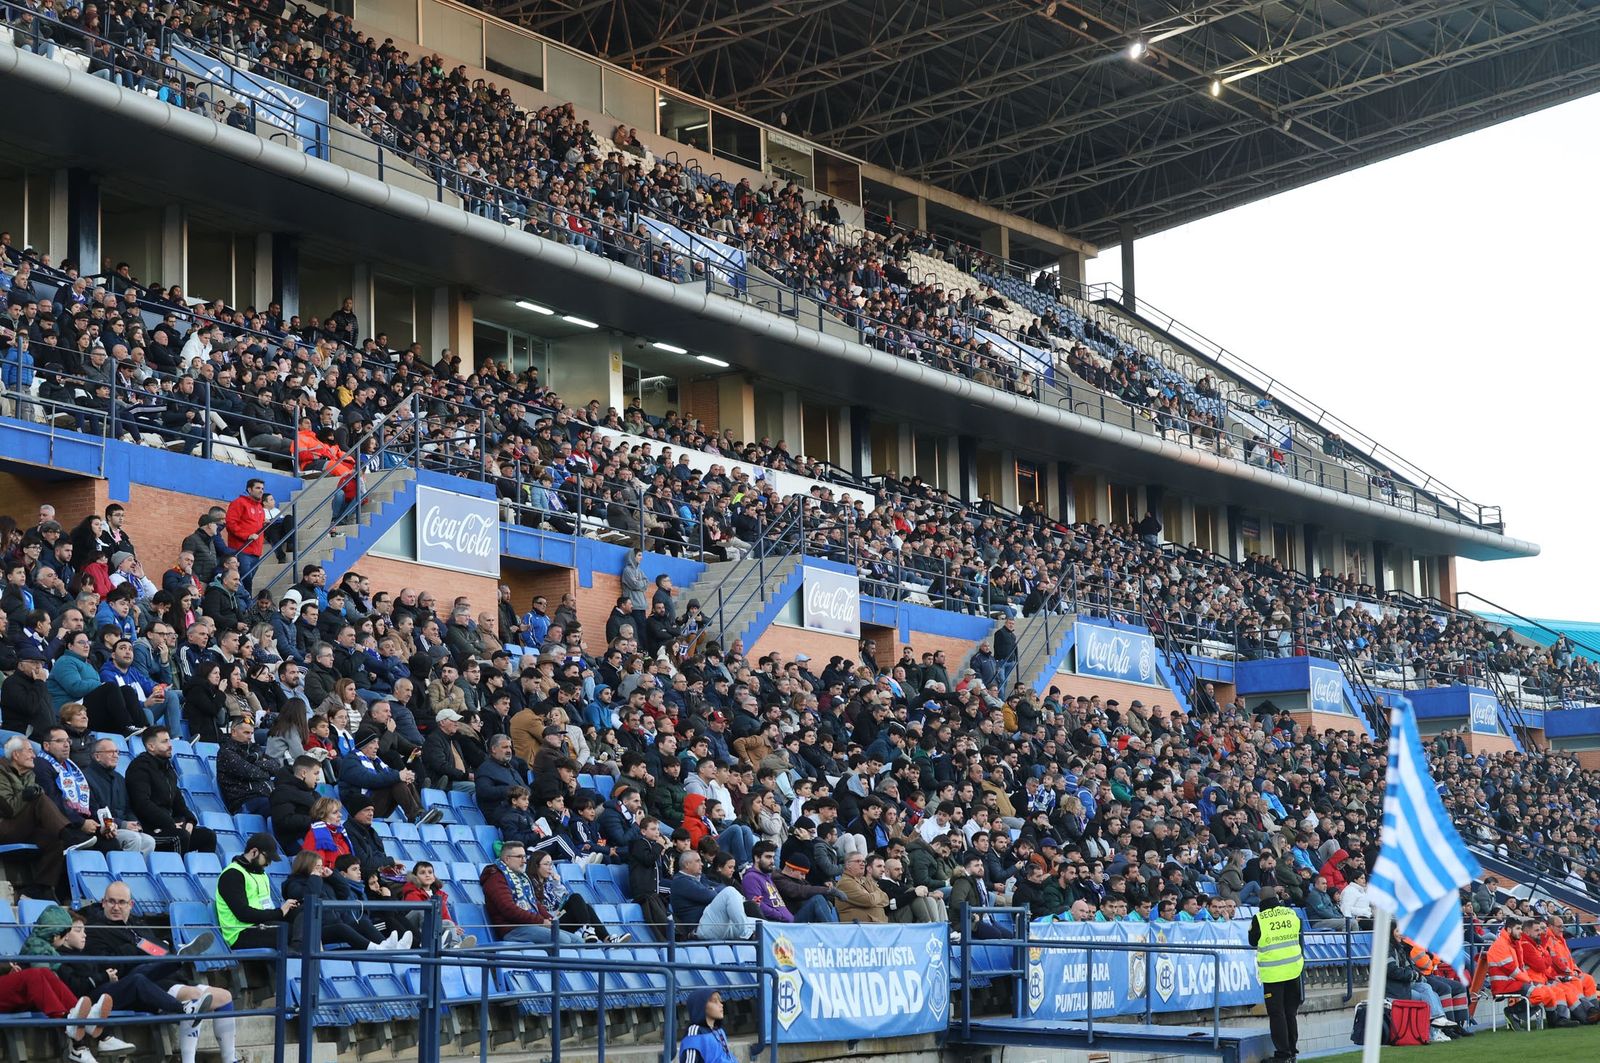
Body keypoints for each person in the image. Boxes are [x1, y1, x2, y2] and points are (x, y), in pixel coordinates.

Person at [0, 734, 75, 898]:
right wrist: (26, 795)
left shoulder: (29, 774)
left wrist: (32, 794)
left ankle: (41, 888)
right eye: (29, 751)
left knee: (54, 839)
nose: (34, 755)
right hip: (4, 827)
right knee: (40, 799)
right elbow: (10, 809)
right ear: (16, 754)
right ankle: (69, 834)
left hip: (23, 827)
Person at [125, 727, 217, 855]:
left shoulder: (167, 768)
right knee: (180, 836)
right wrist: (170, 823)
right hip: (149, 830)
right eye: (164, 741)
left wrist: (189, 820)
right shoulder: (139, 767)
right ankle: (178, 868)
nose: (170, 745)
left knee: (208, 836)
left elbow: (178, 801)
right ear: (151, 746)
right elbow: (142, 804)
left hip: (168, 826)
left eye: (169, 740)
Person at [214, 833, 297, 949]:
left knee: (303, 923)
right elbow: (243, 914)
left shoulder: (261, 873)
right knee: (290, 932)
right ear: (254, 852)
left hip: (261, 924)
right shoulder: (232, 875)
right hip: (240, 932)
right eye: (267, 858)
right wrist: (279, 913)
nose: (269, 863)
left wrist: (286, 910)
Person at [1248, 887, 1303, 1063]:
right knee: (1290, 1012)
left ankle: (1283, 1054)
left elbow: (1252, 941)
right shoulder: (1291, 913)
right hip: (1294, 969)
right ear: (1276, 897)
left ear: (1260, 900)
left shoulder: (1259, 918)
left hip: (1273, 973)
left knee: (1277, 1014)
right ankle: (1292, 1051)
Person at [670, 850, 754, 941]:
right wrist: (712, 890)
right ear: (687, 864)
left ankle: (748, 933)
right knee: (730, 891)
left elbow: (720, 887)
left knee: (760, 924)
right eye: (698, 861)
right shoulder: (680, 881)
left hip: (714, 924)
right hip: (700, 927)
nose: (702, 864)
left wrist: (712, 889)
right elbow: (709, 896)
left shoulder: (700, 878)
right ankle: (746, 934)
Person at [676, 988, 736, 1063]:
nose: (721, 1005)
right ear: (701, 1006)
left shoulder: (719, 1031)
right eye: (714, 1001)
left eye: (720, 1001)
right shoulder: (695, 1031)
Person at [834, 851, 890, 923]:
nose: (862, 864)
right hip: (858, 927)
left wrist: (872, 897)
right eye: (858, 861)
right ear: (848, 865)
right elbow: (868, 901)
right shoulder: (845, 883)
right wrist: (876, 896)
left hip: (876, 925)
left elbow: (886, 899)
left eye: (864, 861)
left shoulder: (865, 880)